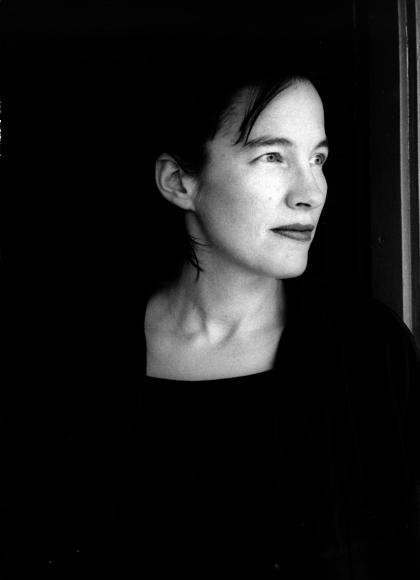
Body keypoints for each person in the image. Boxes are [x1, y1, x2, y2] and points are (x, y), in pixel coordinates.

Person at [8, 60, 420, 579]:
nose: (311, 192)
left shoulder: (369, 352)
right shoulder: (75, 362)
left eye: (318, 159)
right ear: (179, 181)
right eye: (273, 156)